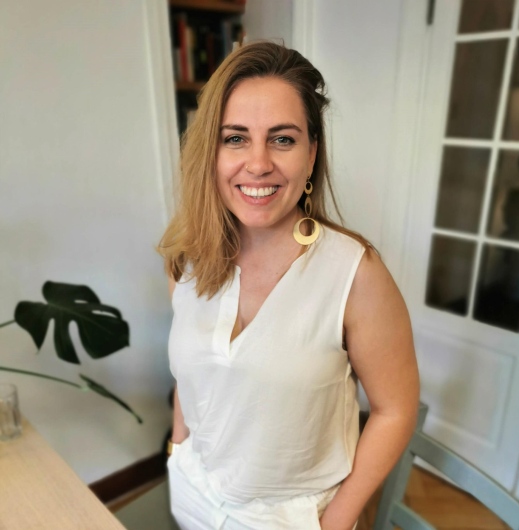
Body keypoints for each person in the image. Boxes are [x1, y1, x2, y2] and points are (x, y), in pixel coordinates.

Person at [158, 41, 419, 530]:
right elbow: (192, 375)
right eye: (235, 138)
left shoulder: (355, 274)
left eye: (282, 139)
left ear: (311, 153)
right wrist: (178, 448)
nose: (258, 164)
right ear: (210, 152)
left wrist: (337, 520)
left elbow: (395, 409)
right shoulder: (186, 259)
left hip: (295, 518)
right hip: (194, 495)